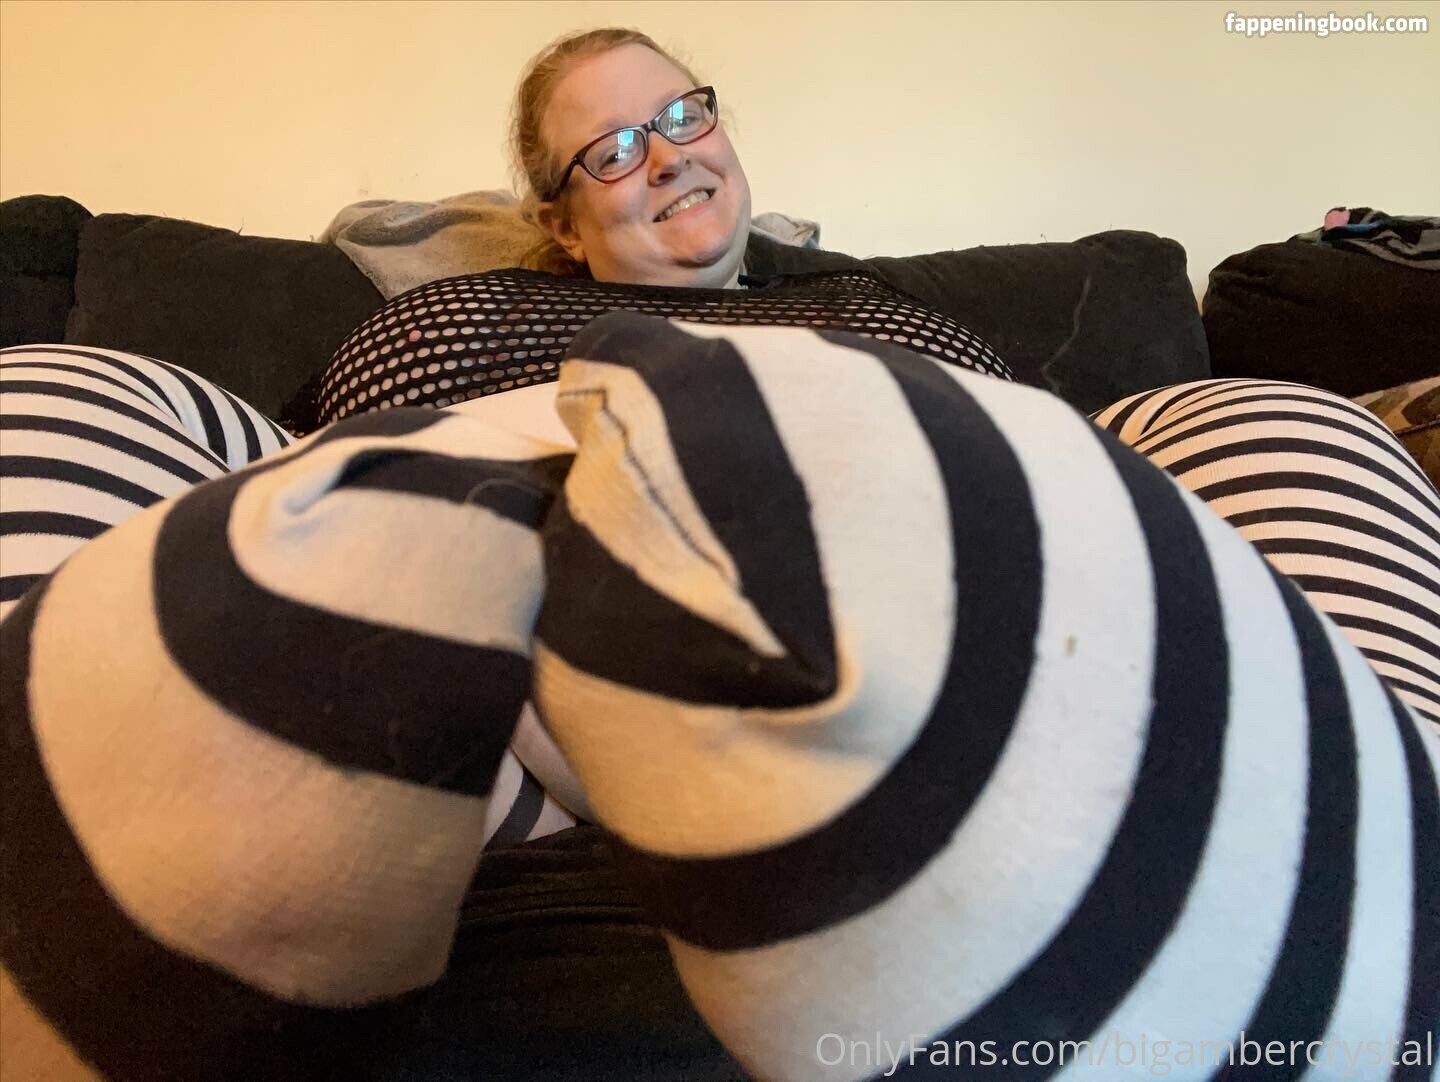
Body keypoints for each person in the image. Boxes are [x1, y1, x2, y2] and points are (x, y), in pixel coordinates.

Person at [1, 25, 1437, 1080]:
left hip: (950, 667)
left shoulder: (898, 319)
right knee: (61, 387)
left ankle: (1391, 919)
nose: (671, 151)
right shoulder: (435, 322)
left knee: (1260, 410)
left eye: (682, 111)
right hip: (488, 703)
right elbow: (324, 485)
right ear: (561, 217)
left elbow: (1045, 488)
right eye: (613, 146)